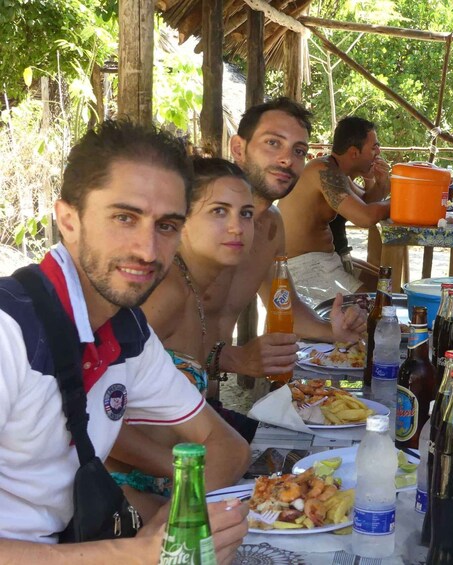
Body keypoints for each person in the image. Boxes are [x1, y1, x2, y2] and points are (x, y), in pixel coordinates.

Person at [0, 120, 248, 562]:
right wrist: (133, 554)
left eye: (167, 226)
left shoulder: (125, 328)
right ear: (68, 220)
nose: (148, 250)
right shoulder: (11, 330)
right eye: (124, 218)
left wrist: (168, 531)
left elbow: (226, 446)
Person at [107, 157, 257, 519]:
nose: (237, 226)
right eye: (219, 211)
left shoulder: (191, 289)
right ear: (181, 220)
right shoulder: (165, 291)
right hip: (124, 492)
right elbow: (94, 408)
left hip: (174, 483)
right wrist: (177, 468)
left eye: (247, 214)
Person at [203, 98, 367, 381]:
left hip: (202, 399)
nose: (286, 159)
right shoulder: (195, 221)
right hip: (147, 412)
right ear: (239, 148)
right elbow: (143, 339)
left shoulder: (271, 226)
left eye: (299, 150)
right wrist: (232, 357)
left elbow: (286, 306)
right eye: (273, 143)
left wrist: (333, 330)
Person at [280, 115, 389, 305]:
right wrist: (403, 202)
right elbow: (364, 217)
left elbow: (365, 202)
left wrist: (379, 183)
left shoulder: (337, 172)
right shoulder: (324, 170)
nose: (378, 152)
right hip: (304, 266)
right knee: (378, 303)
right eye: (374, 147)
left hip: (325, 260)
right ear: (354, 153)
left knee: (386, 285)